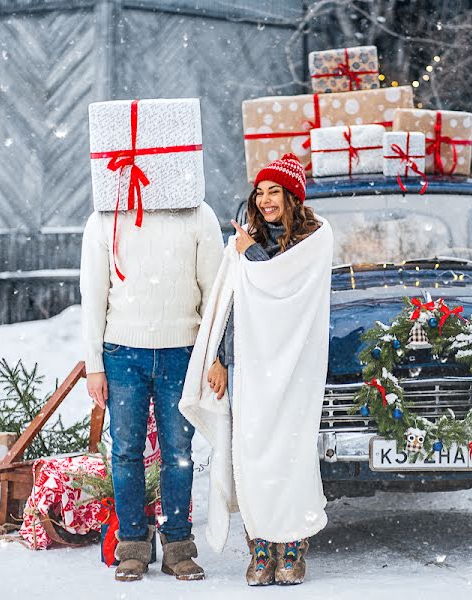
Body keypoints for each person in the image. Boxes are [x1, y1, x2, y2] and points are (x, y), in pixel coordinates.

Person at [180, 154, 333, 587]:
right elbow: (233, 305)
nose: (265, 201)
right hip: (250, 368)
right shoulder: (244, 243)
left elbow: (281, 287)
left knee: (292, 454)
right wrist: (220, 359)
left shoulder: (315, 240)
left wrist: (255, 253)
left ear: (291, 197)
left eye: (274, 192)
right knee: (253, 455)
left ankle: (292, 549)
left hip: (295, 369)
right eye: (260, 192)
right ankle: (261, 548)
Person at [80, 199, 223, 582]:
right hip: (123, 352)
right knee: (127, 451)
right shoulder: (105, 217)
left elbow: (214, 293)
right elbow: (92, 294)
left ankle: (178, 548)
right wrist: (94, 365)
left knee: (178, 451)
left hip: (182, 351)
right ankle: (132, 547)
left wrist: (212, 355)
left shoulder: (197, 213)